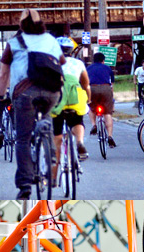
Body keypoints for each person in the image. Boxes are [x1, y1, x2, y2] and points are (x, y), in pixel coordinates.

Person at [0, 9, 65, 200]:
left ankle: (25, 185)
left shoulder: (14, 43)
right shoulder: (51, 40)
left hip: (25, 93)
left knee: (23, 139)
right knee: (47, 116)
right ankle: (50, 149)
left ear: (21, 25)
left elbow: (3, 75)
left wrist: (1, 95)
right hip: (52, 91)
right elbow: (62, 63)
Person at [52, 37, 91, 172]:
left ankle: (55, 170)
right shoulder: (78, 63)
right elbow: (86, 84)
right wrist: (88, 99)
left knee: (56, 128)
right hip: (75, 98)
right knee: (77, 120)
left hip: (57, 99)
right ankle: (80, 142)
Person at [87, 52, 116, 148]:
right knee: (107, 113)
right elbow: (112, 85)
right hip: (106, 89)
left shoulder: (88, 68)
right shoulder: (107, 68)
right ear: (103, 60)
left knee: (91, 108)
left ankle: (94, 125)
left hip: (93, 89)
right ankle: (110, 136)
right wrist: (111, 99)